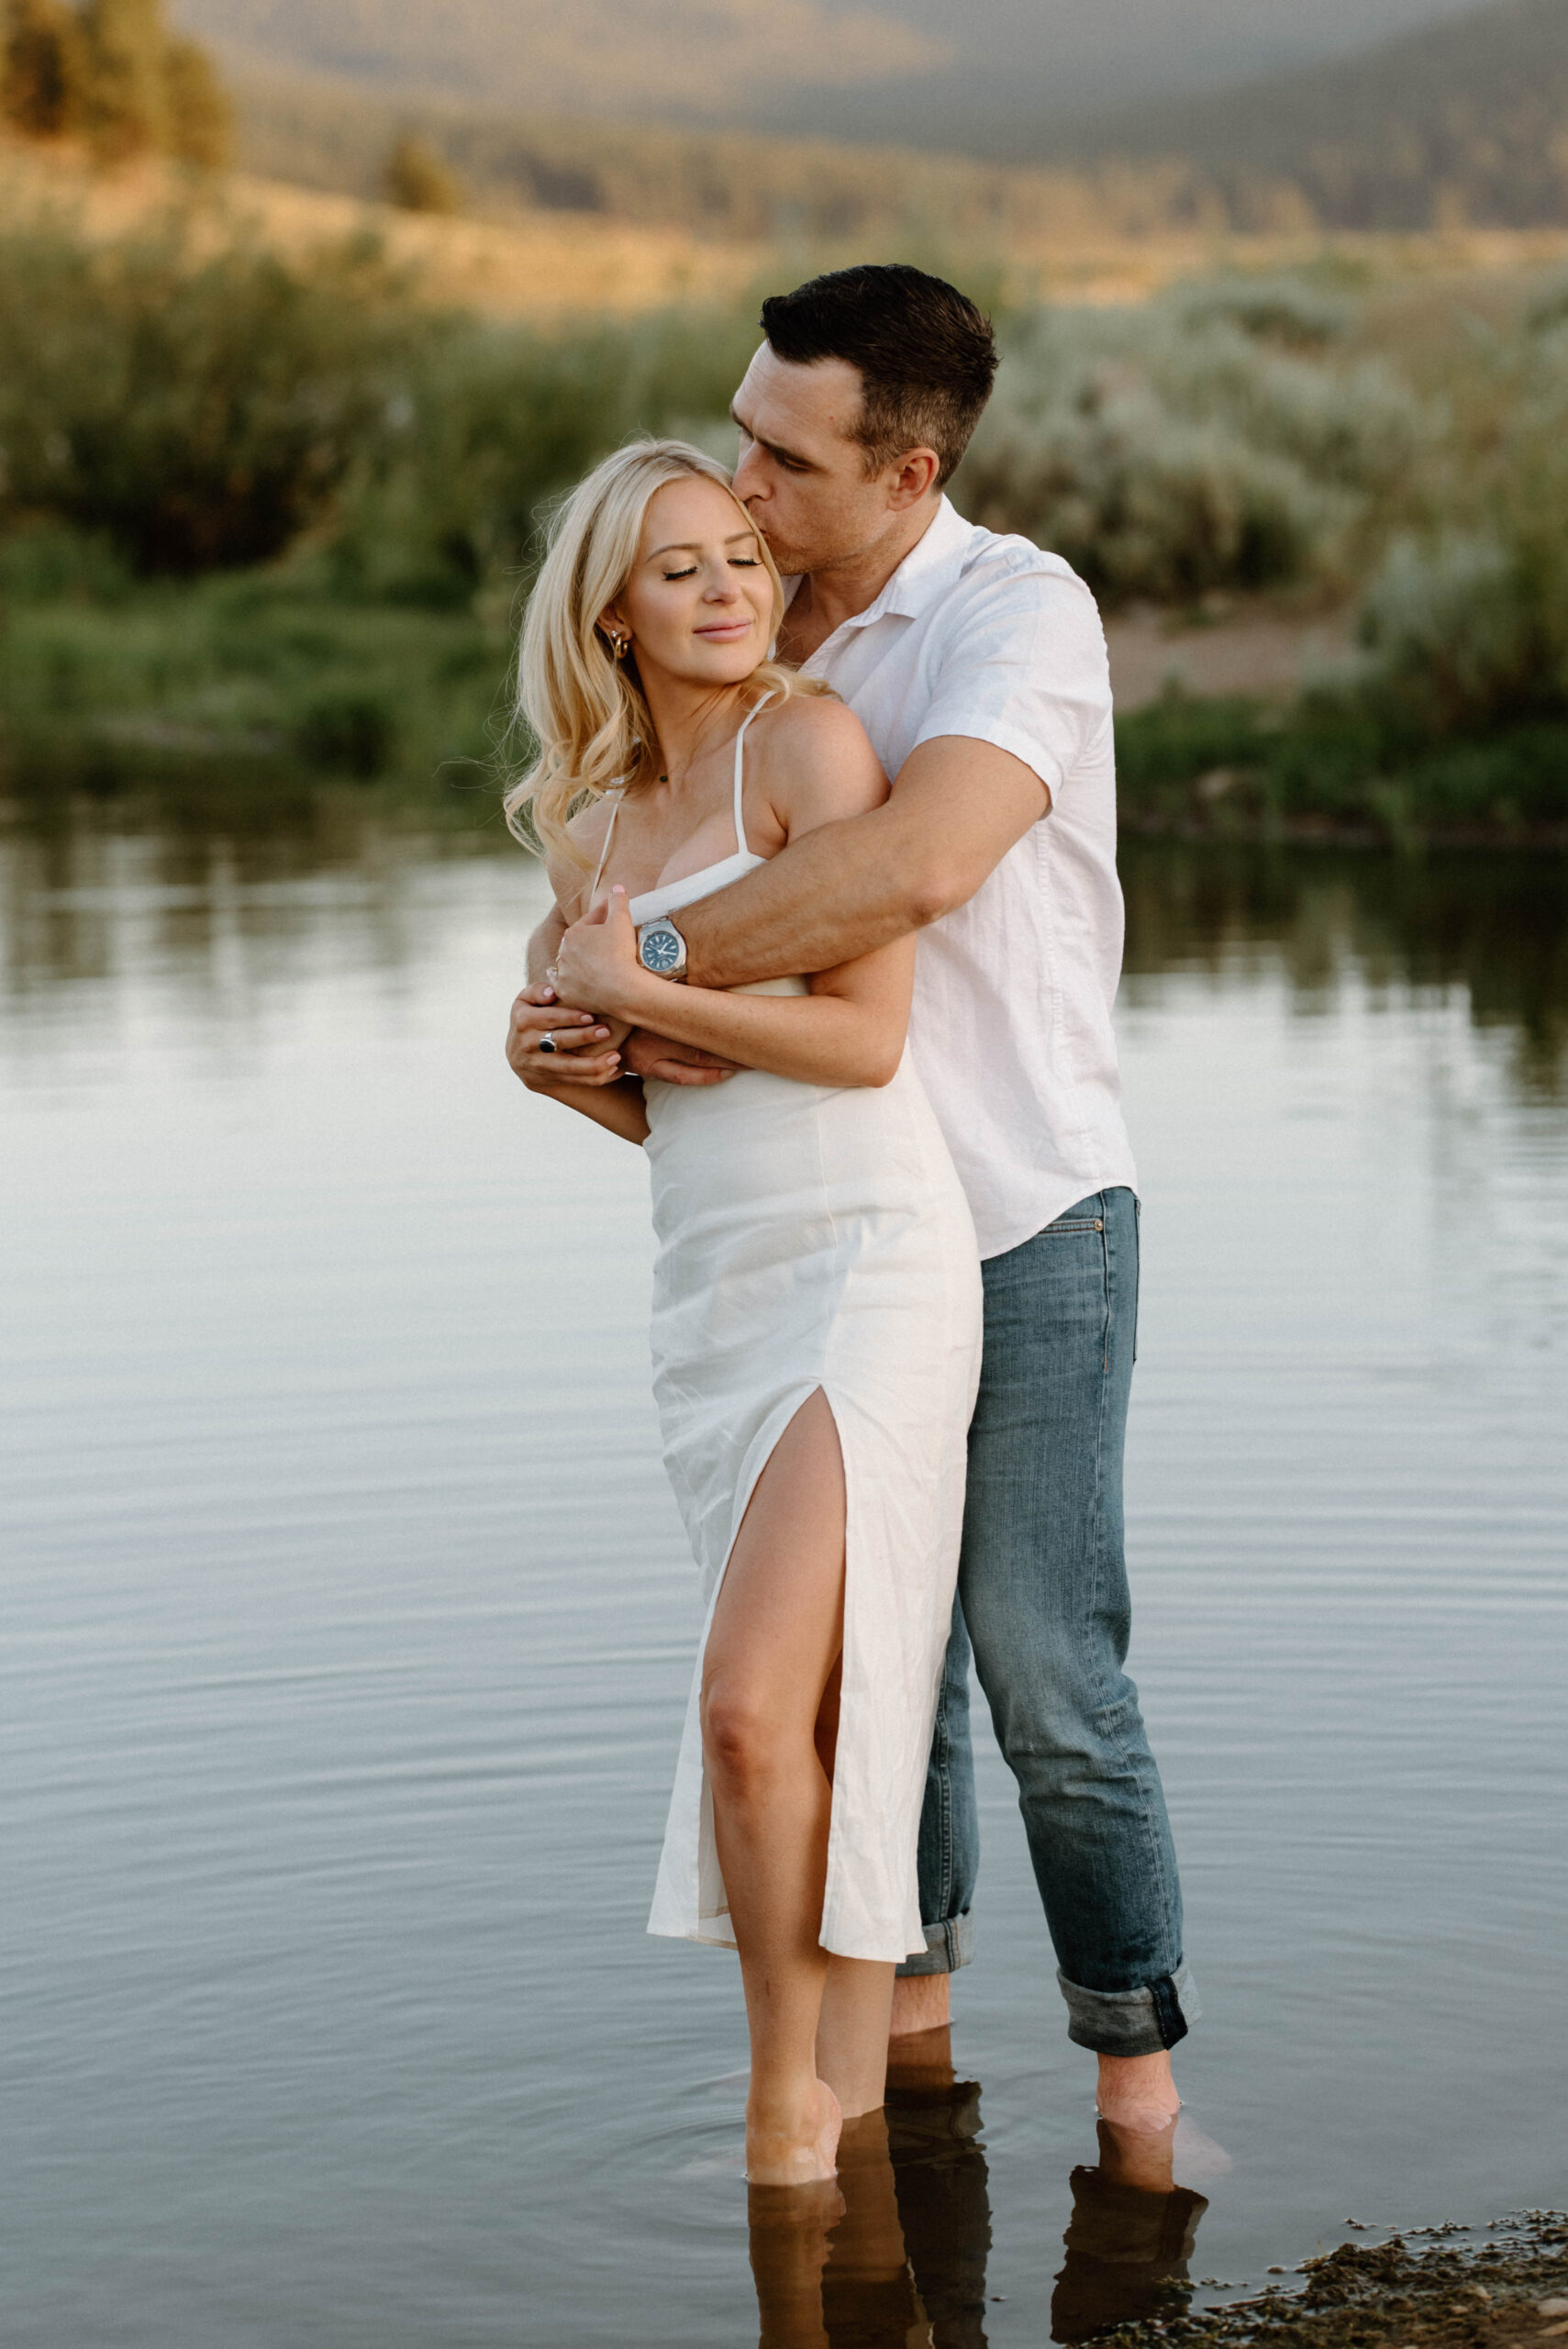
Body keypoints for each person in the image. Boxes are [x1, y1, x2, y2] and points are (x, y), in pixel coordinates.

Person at [509, 264, 1198, 2132]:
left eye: (784, 460)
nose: (746, 485)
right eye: (739, 438)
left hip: (1027, 1211)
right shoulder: (745, 609)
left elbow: (915, 864)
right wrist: (569, 1043)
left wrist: (619, 974)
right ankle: (915, 2085)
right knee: (882, 1686)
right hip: (813, 1226)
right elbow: (666, 992)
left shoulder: (1008, 612)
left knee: (1044, 1671)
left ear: (904, 473)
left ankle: (1140, 2098)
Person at [506, 438, 984, 2187]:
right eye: (679, 569)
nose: (725, 590)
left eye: (739, 555)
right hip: (707, 1281)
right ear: (612, 615)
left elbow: (865, 1042)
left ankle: (784, 2095)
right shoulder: (591, 823)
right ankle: (845, 2128)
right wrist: (559, 1060)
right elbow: (647, 1088)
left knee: (744, 1701)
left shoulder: (809, 746)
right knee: (818, 1713)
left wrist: (636, 987)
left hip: (865, 1252)